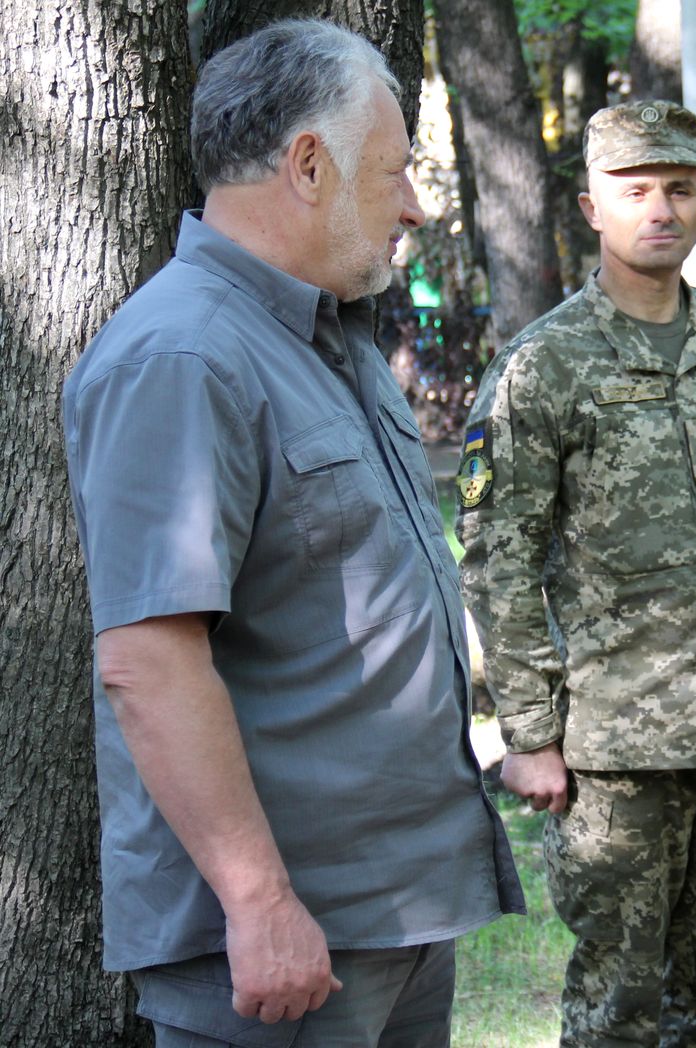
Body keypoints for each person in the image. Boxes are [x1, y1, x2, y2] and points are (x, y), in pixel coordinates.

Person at [61, 19, 523, 1045]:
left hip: (392, 912)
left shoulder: (331, 340)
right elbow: (149, 661)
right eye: (395, 172)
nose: (414, 205)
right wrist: (259, 900)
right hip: (284, 941)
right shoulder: (182, 357)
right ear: (309, 166)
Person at [456, 99, 696, 1046]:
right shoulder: (544, 365)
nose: (661, 208)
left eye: (681, 188)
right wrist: (530, 733)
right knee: (620, 1003)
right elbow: (498, 555)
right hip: (616, 745)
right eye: (635, 189)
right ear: (590, 208)